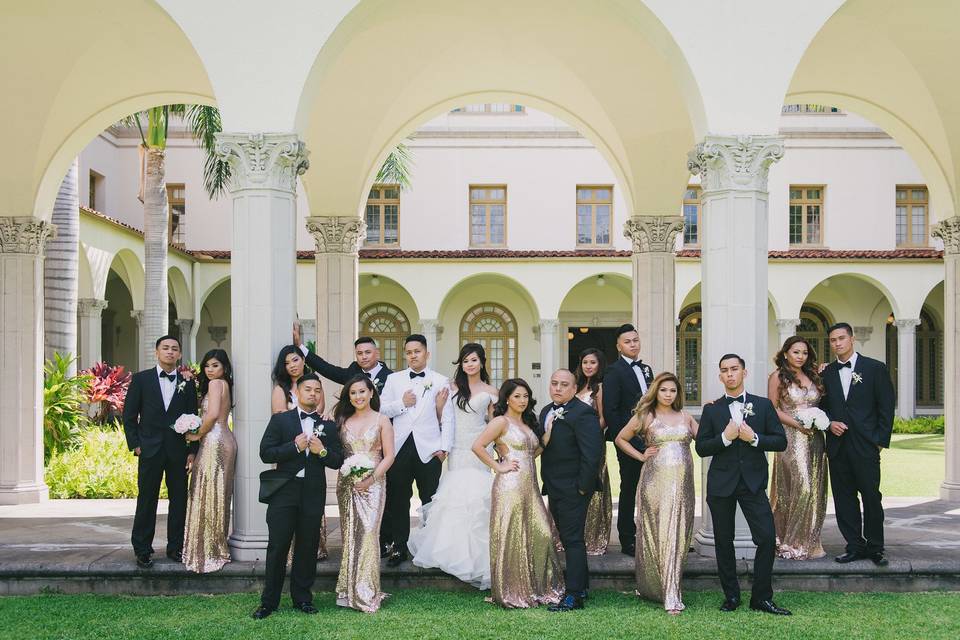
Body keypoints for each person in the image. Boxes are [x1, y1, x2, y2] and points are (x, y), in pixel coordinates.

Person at [695, 354, 790, 616]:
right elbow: (701, 447)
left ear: (744, 373)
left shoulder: (763, 405)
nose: (730, 374)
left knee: (768, 538)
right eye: (724, 370)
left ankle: (761, 597)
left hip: (753, 484)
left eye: (734, 369)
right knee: (723, 542)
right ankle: (732, 596)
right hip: (721, 485)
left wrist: (754, 438)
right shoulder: (712, 409)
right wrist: (724, 439)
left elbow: (780, 441)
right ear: (720, 376)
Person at [253, 373, 343, 620]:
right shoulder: (281, 421)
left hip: (313, 493)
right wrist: (294, 447)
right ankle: (268, 602)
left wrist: (321, 451)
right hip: (284, 492)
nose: (313, 394)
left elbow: (338, 460)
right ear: (297, 393)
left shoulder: (329, 424)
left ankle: (302, 598)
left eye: (317, 390)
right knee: (278, 546)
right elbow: (265, 453)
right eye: (308, 389)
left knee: (307, 546)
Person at [408, 343, 499, 588]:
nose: (469, 364)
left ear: (482, 362)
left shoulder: (491, 391)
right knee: (456, 495)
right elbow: (441, 418)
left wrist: (499, 448)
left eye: (474, 360)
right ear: (461, 363)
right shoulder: (451, 387)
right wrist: (439, 406)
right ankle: (452, 551)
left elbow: (494, 422)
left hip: (480, 446)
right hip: (458, 447)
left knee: (479, 497)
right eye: (465, 360)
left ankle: (480, 556)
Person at [472, 378, 564, 609]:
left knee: (541, 533)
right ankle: (511, 590)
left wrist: (548, 435)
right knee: (512, 536)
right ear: (507, 398)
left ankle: (536, 587)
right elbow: (477, 446)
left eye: (525, 396)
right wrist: (498, 466)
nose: (522, 401)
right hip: (509, 486)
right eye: (517, 396)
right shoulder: (500, 422)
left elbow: (531, 454)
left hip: (530, 487)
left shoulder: (528, 423)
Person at [615, 372, 697, 615]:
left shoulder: (685, 417)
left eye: (672, 390)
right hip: (655, 482)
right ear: (656, 392)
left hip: (683, 484)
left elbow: (705, 440)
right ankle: (662, 591)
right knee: (657, 533)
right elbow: (621, 438)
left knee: (678, 534)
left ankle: (669, 586)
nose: (668, 394)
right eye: (664, 390)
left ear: (677, 393)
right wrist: (641, 455)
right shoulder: (646, 416)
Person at [819, 322, 895, 566]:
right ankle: (854, 545)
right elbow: (819, 409)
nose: (837, 343)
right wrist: (830, 423)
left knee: (871, 496)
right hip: (838, 446)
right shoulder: (826, 373)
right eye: (833, 340)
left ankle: (876, 548)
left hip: (866, 445)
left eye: (841, 338)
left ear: (851, 339)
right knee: (844, 498)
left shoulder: (875, 368)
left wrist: (879, 442)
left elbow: (886, 407)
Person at [123, 335, 198, 569]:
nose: (170, 352)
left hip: (177, 450)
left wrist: (192, 450)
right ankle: (143, 549)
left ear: (179, 354)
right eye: (165, 348)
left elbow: (193, 419)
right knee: (147, 499)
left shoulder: (187, 383)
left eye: (174, 349)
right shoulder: (141, 380)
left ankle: (176, 547)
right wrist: (136, 444)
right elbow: (129, 415)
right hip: (149, 449)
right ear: (157, 352)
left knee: (179, 500)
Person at [378, 334, 451, 567]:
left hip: (429, 449)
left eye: (417, 351)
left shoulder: (440, 380)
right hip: (398, 447)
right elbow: (380, 409)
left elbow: (448, 418)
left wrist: (444, 448)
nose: (413, 356)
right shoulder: (394, 379)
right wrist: (402, 403)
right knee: (398, 498)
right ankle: (399, 547)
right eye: (408, 352)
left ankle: (429, 547)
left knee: (430, 498)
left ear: (427, 354)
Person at [538, 369, 604, 612]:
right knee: (568, 538)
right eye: (554, 383)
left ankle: (574, 594)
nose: (557, 388)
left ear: (574, 389)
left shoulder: (584, 414)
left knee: (573, 540)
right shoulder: (546, 411)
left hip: (575, 489)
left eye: (564, 384)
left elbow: (592, 454)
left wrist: (582, 488)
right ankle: (582, 585)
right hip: (554, 486)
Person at [334, 375, 396, 613]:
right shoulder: (342, 420)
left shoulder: (382, 420)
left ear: (371, 393)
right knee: (350, 535)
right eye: (353, 393)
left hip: (374, 483)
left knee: (369, 533)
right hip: (347, 484)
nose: (358, 396)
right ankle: (346, 590)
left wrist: (371, 479)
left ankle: (366, 592)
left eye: (362, 391)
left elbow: (389, 455)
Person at [768, 336, 827, 560]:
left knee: (814, 489)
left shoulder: (814, 376)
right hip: (791, 437)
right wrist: (798, 425)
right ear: (785, 353)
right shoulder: (777, 377)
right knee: (797, 488)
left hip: (815, 439)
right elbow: (773, 409)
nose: (800, 356)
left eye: (804, 352)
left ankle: (810, 540)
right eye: (795, 352)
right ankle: (788, 539)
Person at [270, 345, 329, 561]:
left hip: (313, 449)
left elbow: (319, 414)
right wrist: (296, 443)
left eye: (295, 360)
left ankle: (314, 548)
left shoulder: (315, 385)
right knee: (287, 506)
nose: (292, 366)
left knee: (312, 502)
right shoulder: (281, 389)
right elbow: (279, 416)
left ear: (303, 360)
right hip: (290, 451)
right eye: (286, 363)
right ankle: (288, 552)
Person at [182, 349, 238, 573]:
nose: (210, 370)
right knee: (217, 493)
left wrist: (196, 434)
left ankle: (209, 549)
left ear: (224, 367)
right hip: (224, 439)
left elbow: (213, 414)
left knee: (207, 492)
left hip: (214, 441)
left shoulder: (216, 385)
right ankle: (213, 545)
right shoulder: (224, 384)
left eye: (215, 365)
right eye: (207, 366)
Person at [601, 324, 655, 555]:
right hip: (628, 440)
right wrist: (627, 440)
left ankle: (652, 533)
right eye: (627, 341)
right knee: (629, 487)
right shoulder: (614, 371)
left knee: (652, 487)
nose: (633, 344)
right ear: (619, 346)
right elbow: (611, 411)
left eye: (635, 340)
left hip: (652, 438)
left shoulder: (646, 369)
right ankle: (627, 538)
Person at [575, 348, 612, 556]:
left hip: (593, 442)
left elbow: (604, 418)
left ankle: (593, 536)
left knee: (593, 484)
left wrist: (588, 435)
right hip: (574, 445)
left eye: (593, 363)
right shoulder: (578, 386)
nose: (588, 366)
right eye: (585, 362)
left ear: (600, 365)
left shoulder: (600, 388)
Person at [293, 323, 392, 394]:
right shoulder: (353, 370)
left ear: (377, 353)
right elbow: (326, 369)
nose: (364, 357)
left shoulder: (391, 377)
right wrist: (299, 346)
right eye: (359, 353)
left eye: (368, 352)